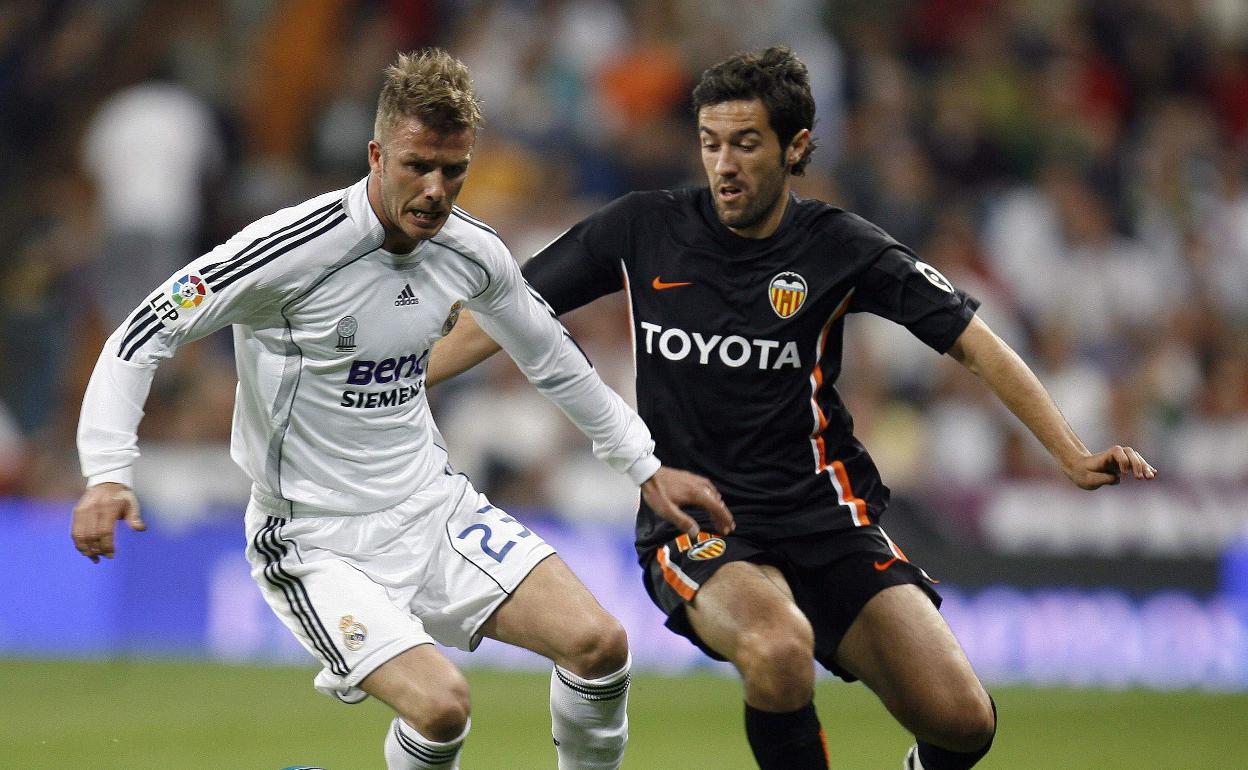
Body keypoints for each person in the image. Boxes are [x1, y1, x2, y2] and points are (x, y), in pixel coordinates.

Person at [426, 46, 1158, 770]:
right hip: (702, 523)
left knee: (963, 723)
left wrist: (1068, 451)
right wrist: (405, 376)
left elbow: (975, 342)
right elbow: (505, 312)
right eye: (711, 144)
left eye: (746, 143)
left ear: (796, 145)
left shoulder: (841, 247)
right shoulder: (643, 228)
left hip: (827, 519)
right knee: (779, 651)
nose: (724, 164)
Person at [72, 48, 730, 770]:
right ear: (377, 154)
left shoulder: (472, 252)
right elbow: (144, 330)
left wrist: (642, 465)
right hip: (312, 536)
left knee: (601, 646)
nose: (436, 190)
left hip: (430, 507)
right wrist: (107, 471)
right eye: (418, 165)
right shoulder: (290, 250)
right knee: (442, 706)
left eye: (454, 170)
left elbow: (550, 355)